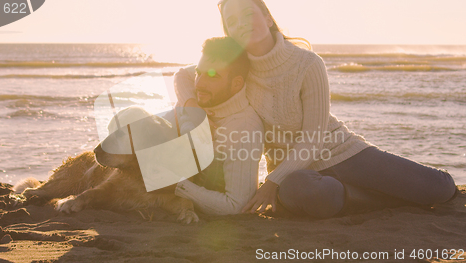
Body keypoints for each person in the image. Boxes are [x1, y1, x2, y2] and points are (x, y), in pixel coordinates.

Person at [174, 0, 458, 218]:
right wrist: (191, 108)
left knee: (440, 189)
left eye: (248, 14)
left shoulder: (308, 64)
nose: (241, 24)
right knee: (299, 191)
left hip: (343, 154)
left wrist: (270, 182)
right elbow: (183, 76)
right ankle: (373, 198)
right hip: (295, 174)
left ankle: (377, 194)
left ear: (268, 17)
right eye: (232, 21)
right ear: (228, 32)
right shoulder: (238, 69)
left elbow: (313, 138)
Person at [173, 37, 264, 215]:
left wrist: (177, 184)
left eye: (212, 76)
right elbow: (182, 74)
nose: (198, 83)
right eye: (199, 72)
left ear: (237, 84)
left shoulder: (244, 129)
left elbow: (235, 206)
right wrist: (193, 109)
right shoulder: (203, 100)